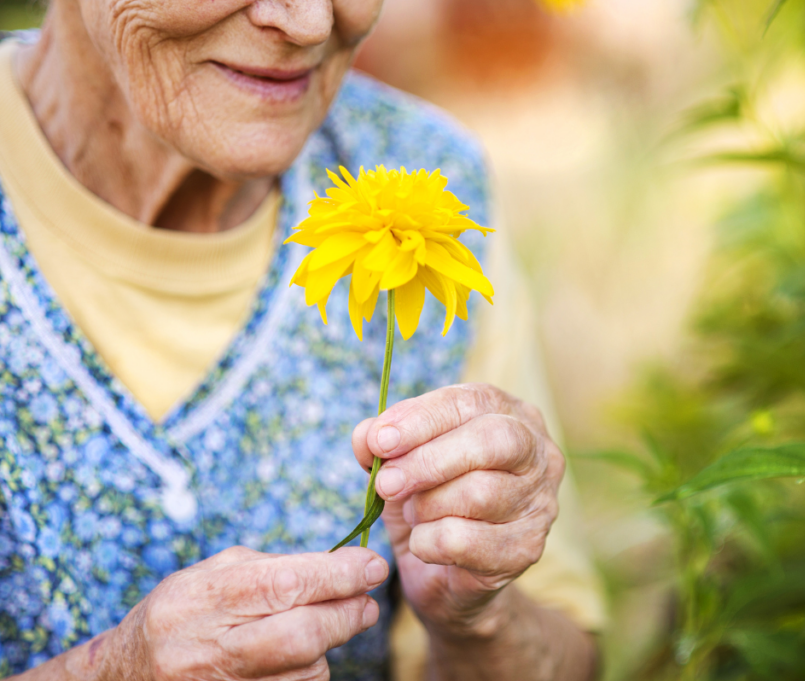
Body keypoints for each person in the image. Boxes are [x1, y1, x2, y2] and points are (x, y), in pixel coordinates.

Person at [0, 1, 605, 679]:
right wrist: (108, 671)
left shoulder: (429, 177)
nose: (312, 22)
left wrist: (479, 620)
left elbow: (570, 652)